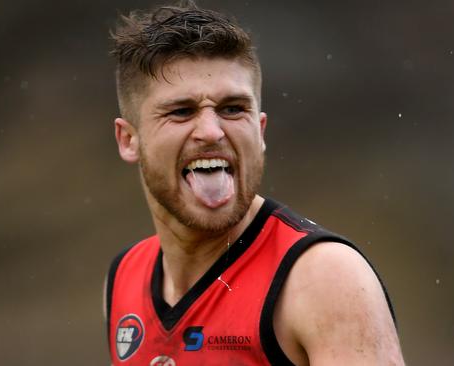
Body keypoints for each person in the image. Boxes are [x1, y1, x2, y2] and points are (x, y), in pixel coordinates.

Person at [105, 1, 405, 365]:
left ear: (260, 130)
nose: (212, 132)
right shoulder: (123, 279)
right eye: (181, 112)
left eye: (233, 109)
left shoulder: (325, 278)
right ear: (128, 140)